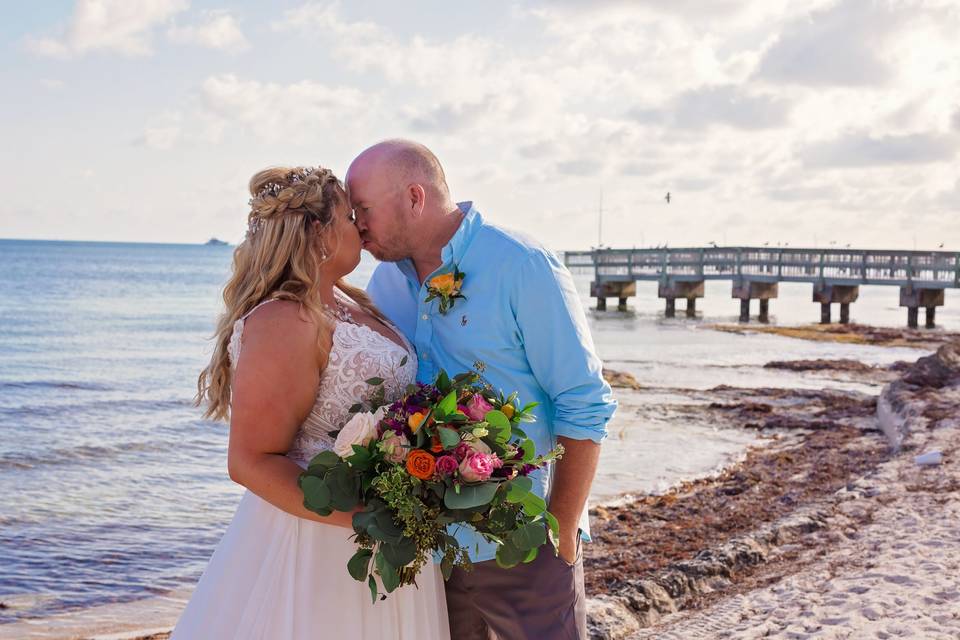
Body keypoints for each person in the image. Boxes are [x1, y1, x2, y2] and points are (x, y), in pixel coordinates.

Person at [348, 139, 616, 639]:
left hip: (521, 541)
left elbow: (584, 401)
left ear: (414, 196)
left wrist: (559, 530)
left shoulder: (522, 265)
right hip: (426, 552)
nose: (356, 223)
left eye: (362, 208)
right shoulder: (386, 281)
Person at [173, 165, 449, 640]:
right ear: (318, 234)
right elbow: (251, 461)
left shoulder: (349, 302)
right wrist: (372, 519)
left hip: (384, 534)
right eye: (349, 216)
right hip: (318, 543)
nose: (361, 226)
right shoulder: (285, 320)